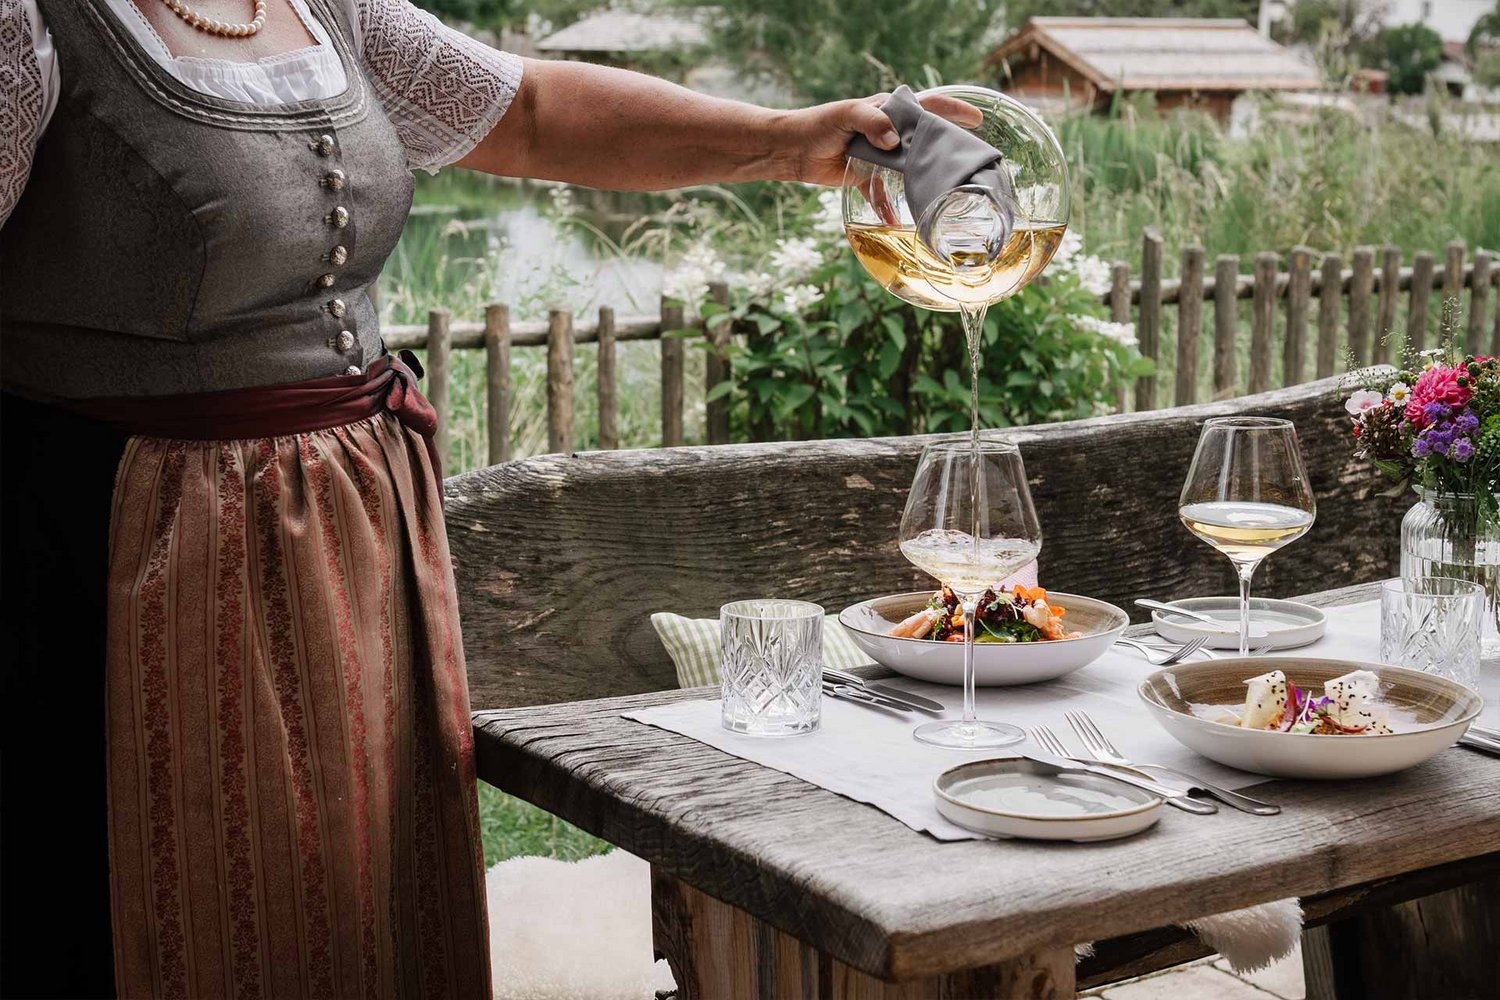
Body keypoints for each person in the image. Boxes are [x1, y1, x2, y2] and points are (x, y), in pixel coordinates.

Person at [0, 1, 976, 996]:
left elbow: (535, 112)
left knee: (356, 888)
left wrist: (785, 142)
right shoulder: (28, 28)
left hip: (351, 542)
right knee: (165, 895)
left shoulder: (327, 9)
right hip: (129, 559)